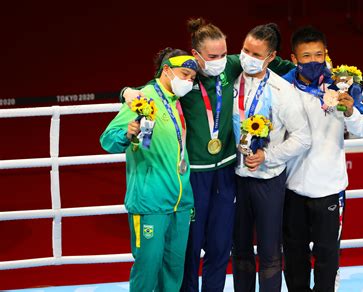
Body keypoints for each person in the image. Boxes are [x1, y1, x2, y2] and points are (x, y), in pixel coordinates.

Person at [121, 18, 294, 292]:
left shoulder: (232, 65)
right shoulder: (184, 80)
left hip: (226, 173)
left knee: (219, 247)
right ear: (195, 56)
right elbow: (153, 90)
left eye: (224, 54)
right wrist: (126, 92)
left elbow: (276, 63)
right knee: (190, 250)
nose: (221, 60)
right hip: (194, 177)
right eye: (213, 56)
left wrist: (313, 72)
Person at [100, 48, 198, 292]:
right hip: (150, 202)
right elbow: (107, 139)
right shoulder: (144, 98)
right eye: (184, 74)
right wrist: (127, 133)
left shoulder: (179, 102)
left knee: (174, 270)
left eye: (192, 78)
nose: (188, 81)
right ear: (167, 70)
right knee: (148, 269)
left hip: (181, 202)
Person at [282, 26, 363, 292]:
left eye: (318, 55)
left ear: (326, 54)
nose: (313, 61)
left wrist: (350, 110)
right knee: (295, 257)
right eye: (306, 56)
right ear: (294, 58)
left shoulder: (343, 83)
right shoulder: (282, 85)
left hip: (330, 188)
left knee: (328, 258)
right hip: (292, 187)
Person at [231, 23, 311, 292]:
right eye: (244, 50)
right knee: (239, 251)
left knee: (269, 254)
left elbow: (303, 137)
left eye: (255, 54)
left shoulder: (282, 91)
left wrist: (268, 156)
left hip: (268, 181)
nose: (247, 58)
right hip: (235, 180)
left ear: (271, 57)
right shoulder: (230, 82)